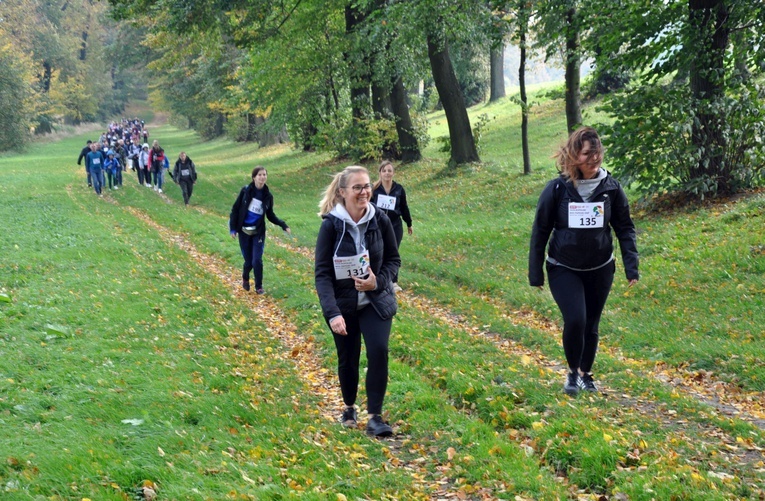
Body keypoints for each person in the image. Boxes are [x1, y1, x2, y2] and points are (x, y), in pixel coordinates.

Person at [529, 126, 639, 396]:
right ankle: (571, 372)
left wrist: (631, 266)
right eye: (588, 153)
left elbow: (624, 227)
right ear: (573, 156)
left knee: (591, 324)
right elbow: (540, 230)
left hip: (600, 267)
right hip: (563, 267)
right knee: (576, 319)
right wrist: (535, 273)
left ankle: (584, 374)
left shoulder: (611, 188)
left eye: (597, 152)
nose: (595, 158)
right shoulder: (557, 188)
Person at [314, 166, 400, 437]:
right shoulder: (331, 226)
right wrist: (333, 313)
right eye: (357, 187)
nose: (364, 192)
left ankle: (375, 416)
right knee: (348, 359)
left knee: (378, 350)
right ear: (342, 192)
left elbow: (393, 260)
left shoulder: (381, 220)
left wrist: (378, 281)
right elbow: (323, 274)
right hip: (344, 304)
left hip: (375, 301)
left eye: (366, 186)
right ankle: (349, 407)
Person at [229, 166, 291, 294]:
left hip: (258, 232)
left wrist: (283, 225)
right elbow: (235, 209)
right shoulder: (245, 191)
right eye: (260, 175)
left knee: (257, 260)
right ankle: (245, 278)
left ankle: (259, 286)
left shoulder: (268, 196)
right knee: (248, 261)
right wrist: (233, 229)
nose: (262, 177)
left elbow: (270, 215)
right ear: (254, 177)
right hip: (244, 231)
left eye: (264, 175)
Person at [371, 160, 413, 292]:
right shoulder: (374, 189)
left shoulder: (399, 189)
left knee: (393, 253)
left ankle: (393, 281)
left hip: (395, 225)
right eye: (384, 171)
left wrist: (409, 223)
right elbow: (368, 207)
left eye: (389, 171)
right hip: (379, 226)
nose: (387, 173)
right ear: (380, 173)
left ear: (393, 173)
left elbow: (404, 207)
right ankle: (379, 278)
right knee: (379, 251)